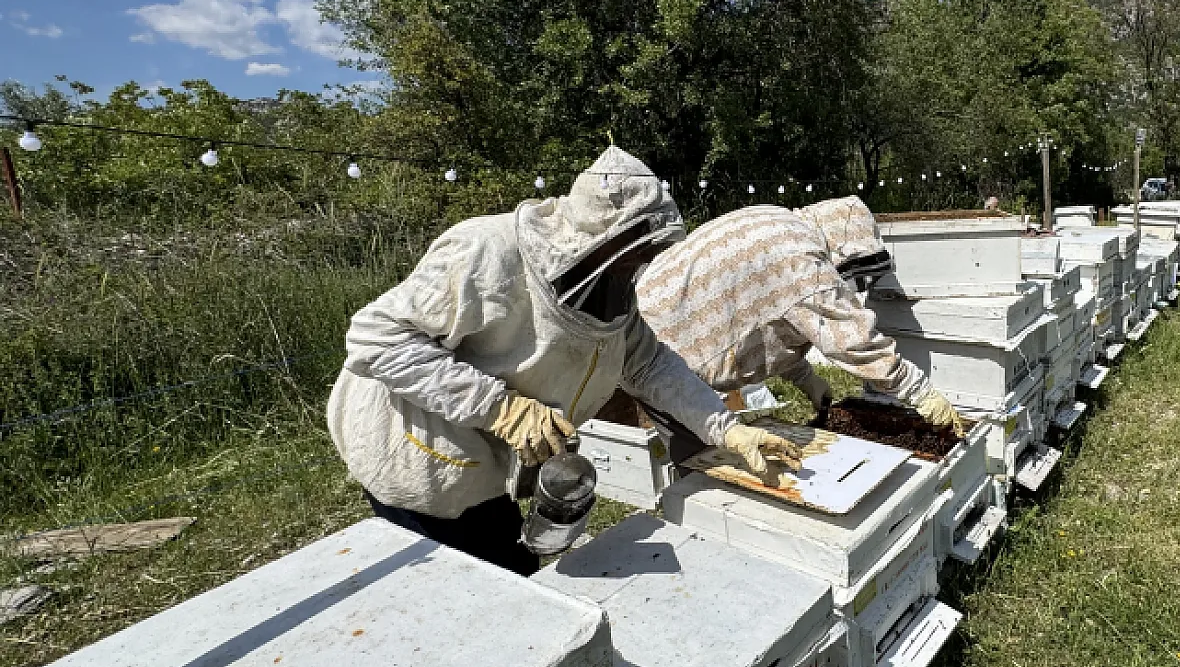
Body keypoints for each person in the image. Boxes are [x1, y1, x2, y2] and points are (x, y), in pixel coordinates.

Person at [327, 146, 802, 574]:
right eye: (639, 254)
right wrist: (502, 410)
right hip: (417, 455)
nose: (642, 266)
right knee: (450, 596)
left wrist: (728, 428)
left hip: (488, 470)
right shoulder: (487, 252)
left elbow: (650, 364)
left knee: (508, 574)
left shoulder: (611, 290)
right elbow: (377, 339)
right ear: (605, 240)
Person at [635, 196, 967, 447]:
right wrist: (919, 390)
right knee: (701, 461)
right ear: (846, 246)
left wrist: (804, 376)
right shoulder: (799, 256)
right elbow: (850, 339)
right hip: (652, 352)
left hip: (642, 327)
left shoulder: (781, 222)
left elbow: (762, 321)